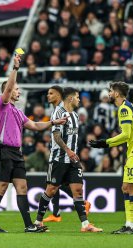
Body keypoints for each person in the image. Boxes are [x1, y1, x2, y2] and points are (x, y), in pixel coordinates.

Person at [0, 54, 68, 233]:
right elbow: (7, 89)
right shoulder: (3, 105)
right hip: (3, 151)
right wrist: (15, 68)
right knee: (2, 187)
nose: (19, 91)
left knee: (22, 187)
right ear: (8, 90)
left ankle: (29, 226)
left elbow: (35, 125)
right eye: (16, 88)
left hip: (16, 153)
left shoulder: (18, 112)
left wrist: (53, 122)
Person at [34, 87, 103, 233]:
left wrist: (74, 153)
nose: (79, 100)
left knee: (78, 191)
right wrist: (68, 150)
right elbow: (56, 136)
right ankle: (38, 222)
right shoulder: (58, 113)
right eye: (77, 97)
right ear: (70, 98)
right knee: (51, 190)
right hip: (59, 158)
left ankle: (85, 225)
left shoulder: (76, 116)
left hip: (72, 159)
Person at [90, 81, 133, 234]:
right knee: (126, 187)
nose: (109, 94)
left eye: (110, 91)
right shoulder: (128, 106)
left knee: (132, 188)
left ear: (117, 93)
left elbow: (126, 135)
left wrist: (106, 143)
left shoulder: (124, 109)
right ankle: (128, 224)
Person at [43, 86, 91, 223]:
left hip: (61, 156)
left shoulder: (61, 112)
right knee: (54, 185)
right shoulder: (59, 111)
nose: (48, 96)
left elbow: (61, 136)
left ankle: (52, 215)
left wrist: (70, 151)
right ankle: (56, 214)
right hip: (61, 154)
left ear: (59, 96)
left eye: (51, 93)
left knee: (53, 185)